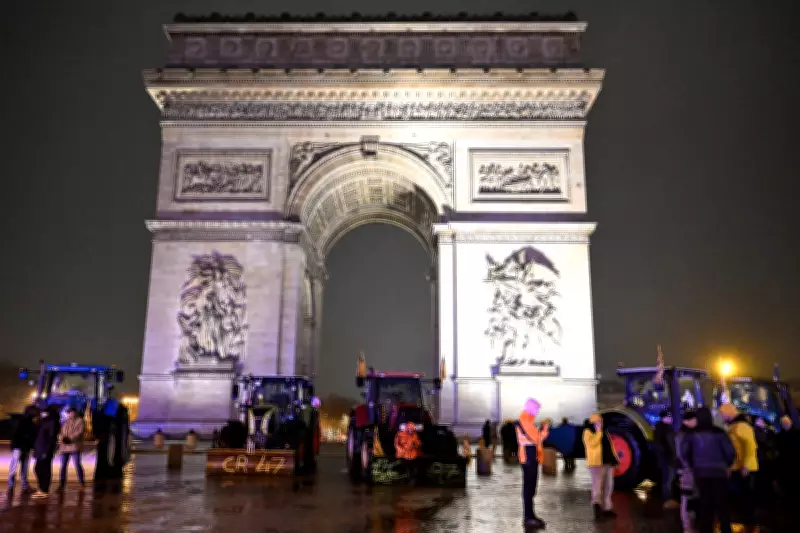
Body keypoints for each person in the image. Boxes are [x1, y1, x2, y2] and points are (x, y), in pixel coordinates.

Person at [681, 406, 735, 533]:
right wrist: (727, 464)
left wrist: (693, 465)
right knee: (721, 503)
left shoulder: (691, 434)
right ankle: (725, 528)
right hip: (719, 472)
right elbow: (729, 452)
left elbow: (685, 453)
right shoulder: (719, 433)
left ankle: (706, 528)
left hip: (701, 472)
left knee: (705, 502)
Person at [719, 403, 758, 527]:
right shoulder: (736, 426)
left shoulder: (741, 426)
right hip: (739, 467)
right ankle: (746, 520)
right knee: (742, 495)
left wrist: (745, 465)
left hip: (744, 468)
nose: (722, 417)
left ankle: (749, 521)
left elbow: (750, 447)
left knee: (746, 495)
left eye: (723, 414)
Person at [515, 398, 549, 529]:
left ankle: (531, 515)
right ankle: (528, 517)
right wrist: (545, 429)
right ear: (531, 408)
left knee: (531, 488)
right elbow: (537, 438)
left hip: (530, 455)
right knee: (529, 488)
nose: (537, 411)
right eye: (536, 409)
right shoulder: (525, 420)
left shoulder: (528, 420)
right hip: (528, 456)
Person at [582, 413, 618, 520]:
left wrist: (615, 459)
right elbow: (592, 443)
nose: (600, 423)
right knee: (597, 487)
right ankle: (597, 511)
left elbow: (610, 446)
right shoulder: (587, 432)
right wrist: (598, 432)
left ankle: (607, 509)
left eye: (601, 421)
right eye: (598, 421)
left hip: (607, 463)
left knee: (608, 486)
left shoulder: (604, 431)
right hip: (596, 464)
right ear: (592, 423)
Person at [676, 409, 698, 533]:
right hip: (688, 470)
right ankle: (687, 527)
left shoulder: (683, 433)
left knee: (689, 496)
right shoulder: (685, 435)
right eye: (694, 420)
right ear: (687, 421)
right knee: (687, 496)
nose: (696, 422)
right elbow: (683, 454)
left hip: (686, 469)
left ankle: (688, 525)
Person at [32, 404, 60, 499]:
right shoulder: (42, 422)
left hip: (45, 450)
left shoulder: (52, 422)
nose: (42, 413)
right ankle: (41, 488)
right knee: (38, 469)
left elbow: (51, 438)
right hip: (40, 449)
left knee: (43, 469)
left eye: (44, 412)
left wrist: (47, 451)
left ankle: (44, 489)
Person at [8, 405, 38, 493]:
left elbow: (14, 434)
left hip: (20, 447)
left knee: (17, 467)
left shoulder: (22, 421)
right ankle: (21, 485)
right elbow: (18, 434)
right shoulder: (27, 422)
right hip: (21, 447)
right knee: (22, 467)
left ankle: (12, 486)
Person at [654, 410, 679, 508]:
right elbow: (668, 446)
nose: (670, 419)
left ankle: (668, 498)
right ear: (663, 418)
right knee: (668, 479)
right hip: (668, 459)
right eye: (668, 417)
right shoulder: (665, 429)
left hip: (668, 458)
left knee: (668, 479)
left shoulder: (663, 428)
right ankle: (667, 500)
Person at [58, 407, 86, 490]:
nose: (69, 413)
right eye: (68, 412)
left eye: (71, 412)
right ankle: (62, 484)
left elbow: (79, 432)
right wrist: (61, 438)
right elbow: (60, 432)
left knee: (77, 464)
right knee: (63, 466)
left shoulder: (80, 421)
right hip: (64, 447)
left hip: (74, 446)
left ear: (75, 412)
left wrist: (69, 439)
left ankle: (82, 482)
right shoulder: (65, 421)